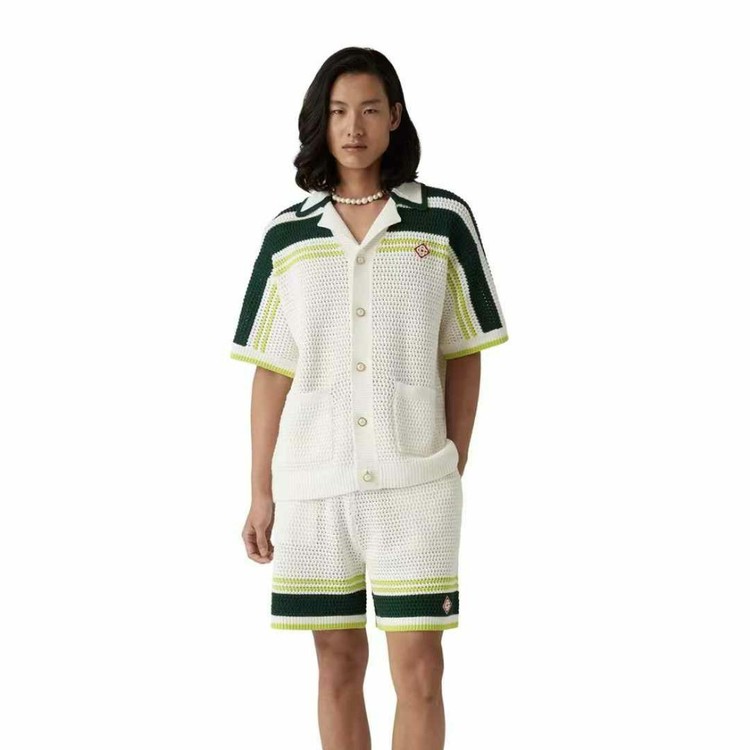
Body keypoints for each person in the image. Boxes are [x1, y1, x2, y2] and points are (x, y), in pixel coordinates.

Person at [230, 46, 509, 750]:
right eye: (337, 112)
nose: (353, 127)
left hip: (416, 487)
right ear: (320, 123)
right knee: (337, 667)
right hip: (313, 487)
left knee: (421, 672)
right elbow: (272, 371)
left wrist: (452, 457)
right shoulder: (288, 234)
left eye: (368, 109)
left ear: (395, 117)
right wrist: (260, 492)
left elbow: (465, 349)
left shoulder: (442, 220)